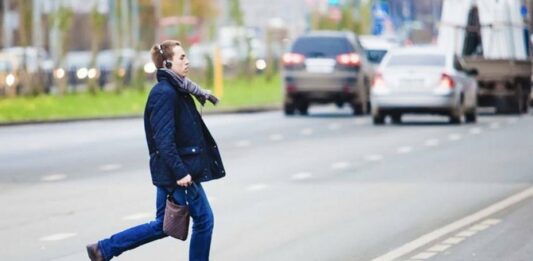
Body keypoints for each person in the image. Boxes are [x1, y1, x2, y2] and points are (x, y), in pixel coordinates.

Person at [86, 40, 226, 261]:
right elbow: (163, 140)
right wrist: (180, 172)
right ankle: (104, 249)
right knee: (204, 220)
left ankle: (104, 249)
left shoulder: (178, 89)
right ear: (167, 63)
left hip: (175, 170)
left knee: (163, 225)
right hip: (178, 172)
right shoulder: (165, 93)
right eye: (181, 57)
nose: (187, 61)